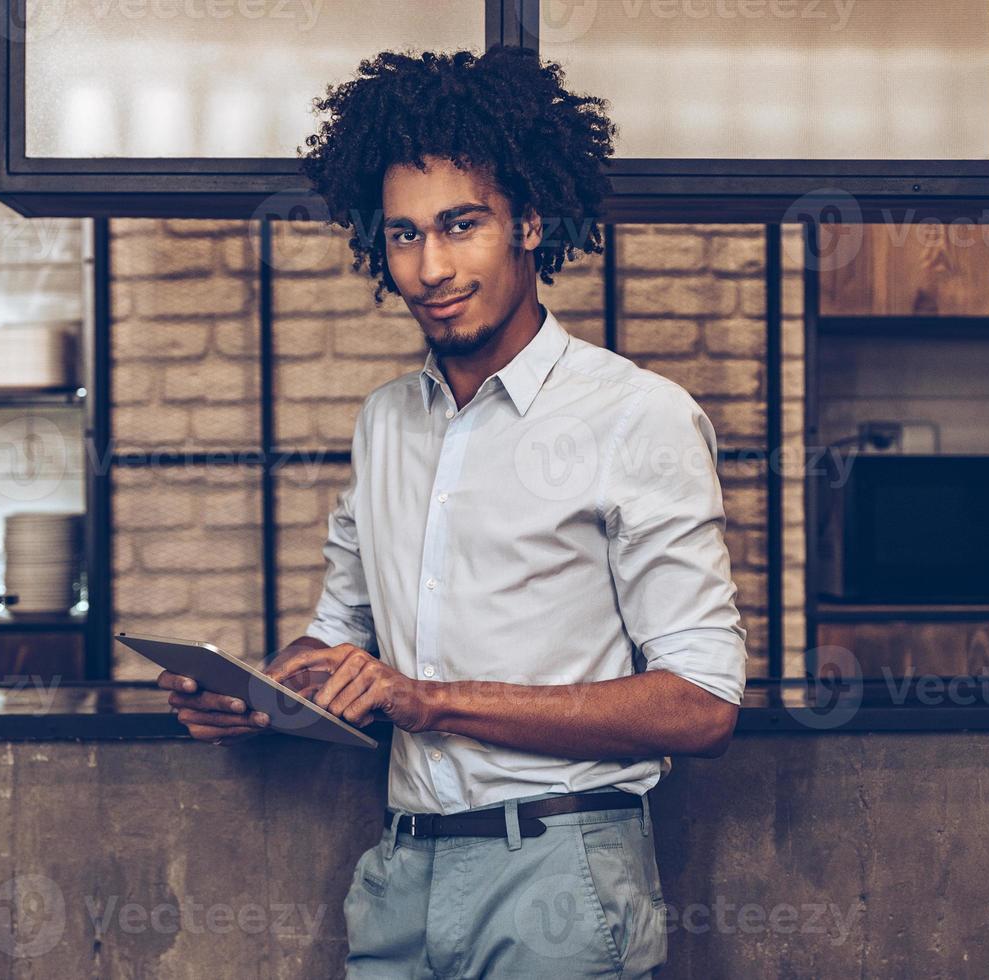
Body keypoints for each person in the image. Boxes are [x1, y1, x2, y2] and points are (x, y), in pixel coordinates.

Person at [158, 46, 748, 978]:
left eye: (461, 224)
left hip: (559, 871)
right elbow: (338, 638)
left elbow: (701, 706)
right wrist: (260, 696)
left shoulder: (637, 415)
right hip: (399, 871)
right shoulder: (385, 421)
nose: (430, 266)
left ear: (530, 224)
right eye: (403, 235)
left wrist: (424, 700)